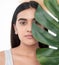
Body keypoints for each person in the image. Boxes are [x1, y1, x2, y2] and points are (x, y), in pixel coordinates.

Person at [0, 1, 48, 65]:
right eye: (23, 23)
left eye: (36, 22)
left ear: (44, 27)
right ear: (15, 28)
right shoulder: (2, 59)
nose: (30, 29)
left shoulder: (55, 59)